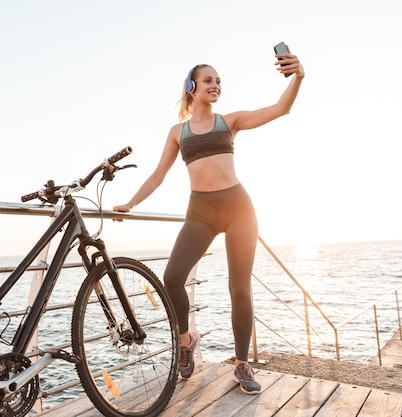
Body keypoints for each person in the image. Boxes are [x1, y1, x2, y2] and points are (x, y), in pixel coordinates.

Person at [113, 46, 304, 394]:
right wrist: (130, 202)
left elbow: (281, 108)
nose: (215, 85)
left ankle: (242, 364)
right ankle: (187, 341)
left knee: (239, 288)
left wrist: (299, 76)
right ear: (192, 86)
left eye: (218, 81)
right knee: (172, 277)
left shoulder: (229, 121)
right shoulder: (177, 131)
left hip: (238, 208)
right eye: (208, 80)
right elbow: (158, 174)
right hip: (200, 211)